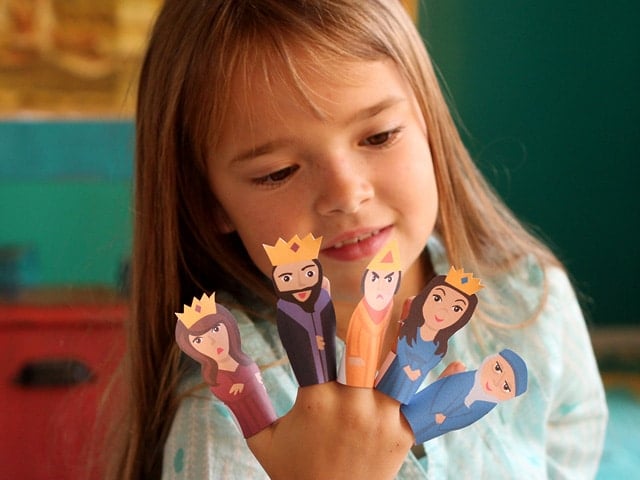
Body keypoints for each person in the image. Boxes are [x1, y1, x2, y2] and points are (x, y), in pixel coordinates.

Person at [107, 0, 608, 479]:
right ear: (208, 203)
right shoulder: (227, 409)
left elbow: (573, 449)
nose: (347, 194)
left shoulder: (530, 298)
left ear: (429, 123)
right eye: (279, 172)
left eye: (379, 136)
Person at [174, 292, 277, 438]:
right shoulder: (212, 383)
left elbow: (254, 374)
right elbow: (221, 391)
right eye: (199, 340)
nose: (212, 342)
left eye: (216, 329)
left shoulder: (245, 359)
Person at [375, 267, 481, 404]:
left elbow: (431, 362)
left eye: (456, 308)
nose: (443, 309)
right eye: (437, 298)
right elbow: (403, 350)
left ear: (461, 319)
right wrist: (407, 368)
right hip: (395, 375)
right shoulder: (411, 332)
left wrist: (417, 372)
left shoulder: (439, 346)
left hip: (414, 381)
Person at [400, 349, 528, 443]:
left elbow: (463, 420)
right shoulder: (466, 379)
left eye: (506, 387)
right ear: (492, 360)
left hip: (420, 433)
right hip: (413, 409)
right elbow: (439, 391)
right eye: (497, 368)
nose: (496, 381)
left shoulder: (484, 406)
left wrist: (443, 421)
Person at [263, 233, 337, 386]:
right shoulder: (284, 309)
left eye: (309, 273)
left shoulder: (323, 299)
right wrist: (311, 341)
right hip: (307, 369)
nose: (301, 283)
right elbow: (288, 339)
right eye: (287, 278)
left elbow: (329, 325)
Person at [343, 237, 402, 388]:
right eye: (375, 278)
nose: (381, 284)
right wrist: (356, 357)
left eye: (389, 279)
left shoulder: (386, 307)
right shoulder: (362, 310)